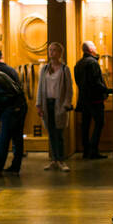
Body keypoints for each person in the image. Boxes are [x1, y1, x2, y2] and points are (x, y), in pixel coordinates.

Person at [0, 48, 27, 174]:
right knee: (17, 137)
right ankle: (16, 166)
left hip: (8, 108)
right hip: (20, 105)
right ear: (2, 56)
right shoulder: (11, 70)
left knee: (3, 137)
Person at [36, 42, 74, 171]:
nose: (51, 52)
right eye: (50, 50)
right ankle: (54, 160)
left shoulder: (64, 69)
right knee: (51, 133)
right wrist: (39, 104)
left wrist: (66, 104)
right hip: (47, 104)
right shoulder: (45, 69)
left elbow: (69, 89)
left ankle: (61, 160)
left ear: (59, 53)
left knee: (59, 133)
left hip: (59, 105)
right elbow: (40, 88)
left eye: (54, 50)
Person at [74, 41, 112, 159]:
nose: (96, 48)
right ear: (90, 50)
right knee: (99, 123)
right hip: (95, 100)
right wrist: (109, 91)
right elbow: (96, 82)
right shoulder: (93, 63)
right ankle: (93, 151)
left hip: (83, 100)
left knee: (85, 125)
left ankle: (86, 151)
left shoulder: (78, 64)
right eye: (94, 47)